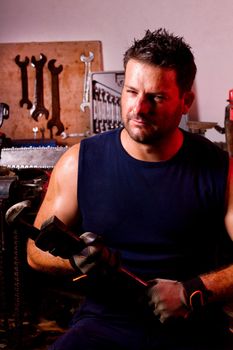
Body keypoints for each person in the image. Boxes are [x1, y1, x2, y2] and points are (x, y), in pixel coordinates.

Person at [27, 28, 233, 350]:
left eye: (157, 97)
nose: (139, 108)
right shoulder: (79, 162)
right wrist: (74, 261)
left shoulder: (221, 169)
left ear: (185, 101)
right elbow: (35, 252)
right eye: (131, 92)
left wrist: (191, 290)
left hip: (194, 327)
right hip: (104, 325)